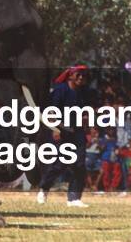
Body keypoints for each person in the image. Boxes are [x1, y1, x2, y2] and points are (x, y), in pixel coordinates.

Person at [37, 64, 91, 207]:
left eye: (84, 75)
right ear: (70, 75)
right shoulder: (60, 91)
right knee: (60, 164)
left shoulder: (83, 91)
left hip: (77, 131)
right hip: (61, 130)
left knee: (79, 165)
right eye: (78, 74)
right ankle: (44, 188)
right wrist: (55, 129)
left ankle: (74, 198)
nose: (81, 78)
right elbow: (51, 112)